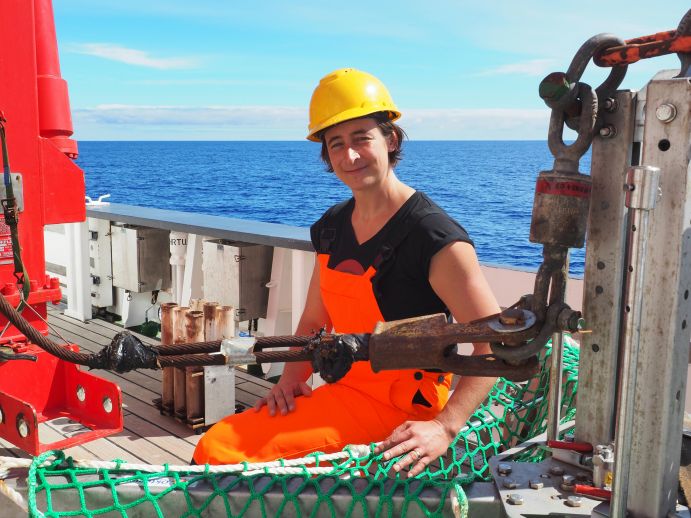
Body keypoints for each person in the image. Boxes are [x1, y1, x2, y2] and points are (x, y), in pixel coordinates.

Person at [193, 68, 500, 477]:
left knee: (220, 453)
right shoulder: (332, 227)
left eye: (362, 138)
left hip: (403, 411)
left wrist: (444, 427)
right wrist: (290, 381)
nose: (350, 156)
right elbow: (314, 321)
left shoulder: (434, 237)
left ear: (391, 140)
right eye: (336, 143)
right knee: (221, 441)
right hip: (342, 391)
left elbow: (495, 343)